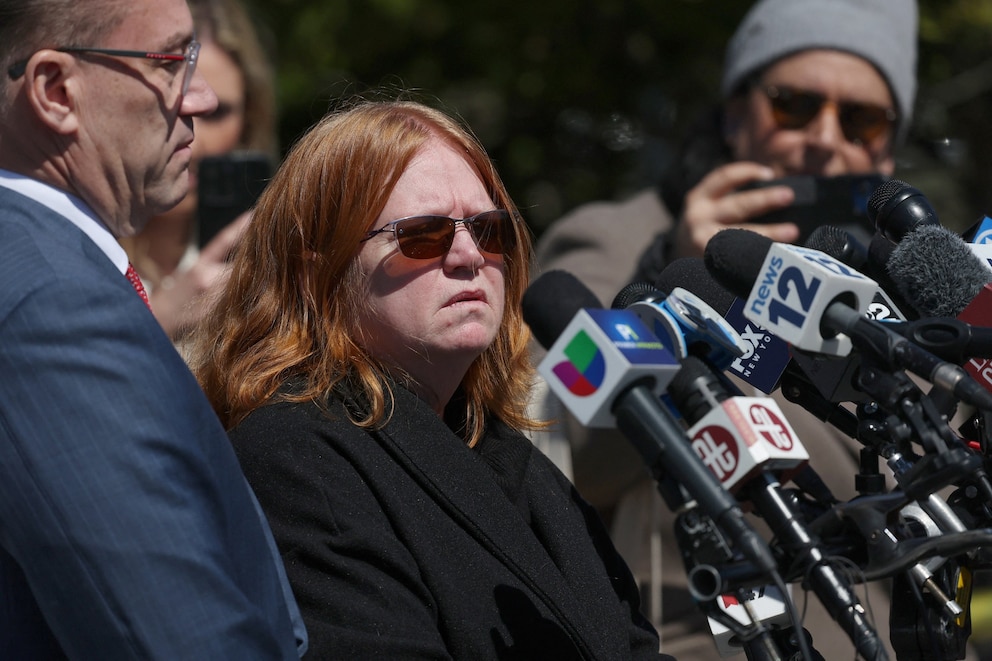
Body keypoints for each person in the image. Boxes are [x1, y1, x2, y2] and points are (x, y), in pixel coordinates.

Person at [189, 98, 675, 660]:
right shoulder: (293, 457)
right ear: (317, 273)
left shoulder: (506, 453)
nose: (469, 255)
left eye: (490, 229)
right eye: (423, 235)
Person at [533, 0, 920, 658]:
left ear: (889, 147)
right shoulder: (612, 239)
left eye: (862, 119)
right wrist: (672, 272)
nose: (826, 138)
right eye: (794, 105)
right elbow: (569, 462)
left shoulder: (901, 285)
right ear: (736, 113)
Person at [0, 0, 305, 657]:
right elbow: (174, 634)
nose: (199, 98)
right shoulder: (53, 305)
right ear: (56, 90)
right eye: (169, 62)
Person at [119, 0, 277, 341]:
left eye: (217, 113)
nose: (195, 138)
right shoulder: (78, 249)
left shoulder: (271, 265)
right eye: (171, 105)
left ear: (249, 120)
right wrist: (159, 321)